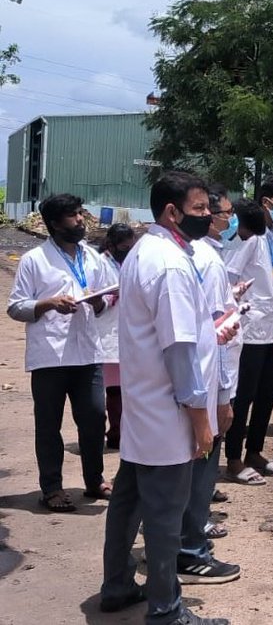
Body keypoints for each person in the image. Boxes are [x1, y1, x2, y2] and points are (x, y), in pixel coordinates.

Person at [101, 171, 232, 625]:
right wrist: (201, 421)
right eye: (200, 209)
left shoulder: (147, 251)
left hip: (145, 404)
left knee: (129, 501)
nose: (209, 217)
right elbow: (180, 350)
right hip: (168, 410)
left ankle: (117, 584)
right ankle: (166, 610)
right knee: (164, 515)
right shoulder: (172, 266)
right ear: (171, 212)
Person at [7, 193, 115, 512]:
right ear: (54, 224)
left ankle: (94, 480)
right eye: (73, 216)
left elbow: (109, 295)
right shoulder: (34, 260)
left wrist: (99, 301)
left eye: (81, 213)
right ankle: (51, 488)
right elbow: (16, 306)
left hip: (87, 354)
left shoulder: (93, 257)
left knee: (95, 416)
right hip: (50, 356)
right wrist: (47, 304)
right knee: (49, 423)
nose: (81, 220)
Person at [175, 184, 242, 585]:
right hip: (204, 379)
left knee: (191, 469)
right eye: (220, 213)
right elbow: (212, 332)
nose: (227, 220)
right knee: (199, 468)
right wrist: (223, 394)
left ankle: (187, 541)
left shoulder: (201, 255)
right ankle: (190, 549)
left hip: (198, 377)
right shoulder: (201, 258)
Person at [222, 175, 273, 483]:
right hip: (250, 328)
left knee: (267, 393)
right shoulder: (248, 237)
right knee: (245, 395)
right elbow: (229, 276)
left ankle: (255, 450)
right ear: (266, 202)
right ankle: (234, 457)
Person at [98, 223, 136, 450]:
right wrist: (112, 295)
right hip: (106, 330)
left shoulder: (127, 263)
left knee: (123, 388)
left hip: (126, 332)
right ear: (111, 245)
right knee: (111, 389)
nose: (128, 250)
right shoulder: (100, 264)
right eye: (124, 247)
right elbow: (93, 292)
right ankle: (113, 432)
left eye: (131, 246)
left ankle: (118, 430)